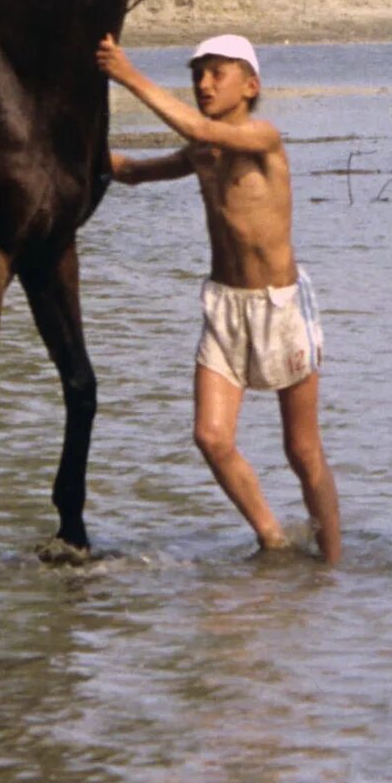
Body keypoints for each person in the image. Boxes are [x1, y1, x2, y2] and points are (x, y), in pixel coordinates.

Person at [97, 31, 341, 563]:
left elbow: (197, 125)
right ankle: (273, 540)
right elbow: (134, 172)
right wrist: (69, 145)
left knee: (302, 451)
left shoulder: (263, 137)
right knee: (210, 436)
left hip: (279, 308)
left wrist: (128, 73)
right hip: (225, 307)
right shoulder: (201, 150)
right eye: (197, 74)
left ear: (250, 85)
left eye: (217, 73)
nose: (203, 84)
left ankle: (334, 567)